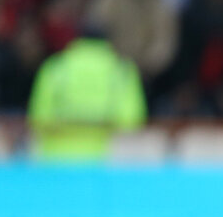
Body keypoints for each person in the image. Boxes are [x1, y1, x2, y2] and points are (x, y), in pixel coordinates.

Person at [26, 23, 147, 161]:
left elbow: (39, 117)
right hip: (104, 160)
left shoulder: (55, 68)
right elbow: (132, 120)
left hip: (56, 159)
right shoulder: (122, 71)